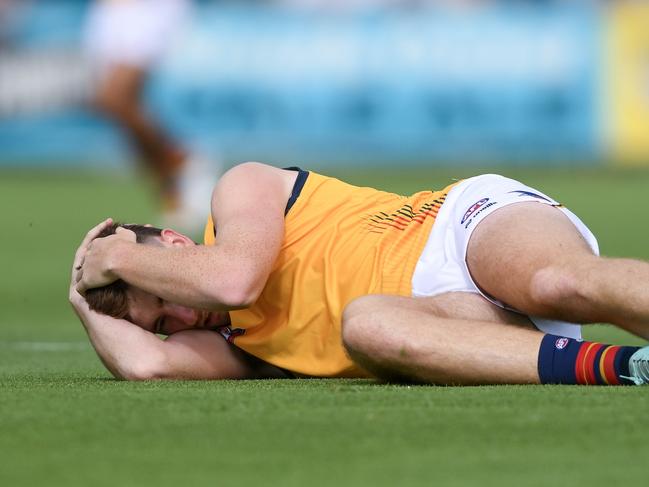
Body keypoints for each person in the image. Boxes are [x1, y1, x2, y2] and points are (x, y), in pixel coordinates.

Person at [70, 162, 649, 385]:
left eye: (163, 291)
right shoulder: (241, 346)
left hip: (457, 228)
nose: (178, 315)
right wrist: (82, 294)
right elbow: (145, 365)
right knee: (368, 327)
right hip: (459, 326)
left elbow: (232, 281)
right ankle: (635, 369)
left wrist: (117, 256)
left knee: (556, 283)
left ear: (174, 242)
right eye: (163, 322)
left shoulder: (240, 190)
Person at [83, 0, 217, 232]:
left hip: (147, 9)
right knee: (111, 104)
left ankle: (182, 161)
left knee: (114, 98)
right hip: (109, 10)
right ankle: (173, 183)